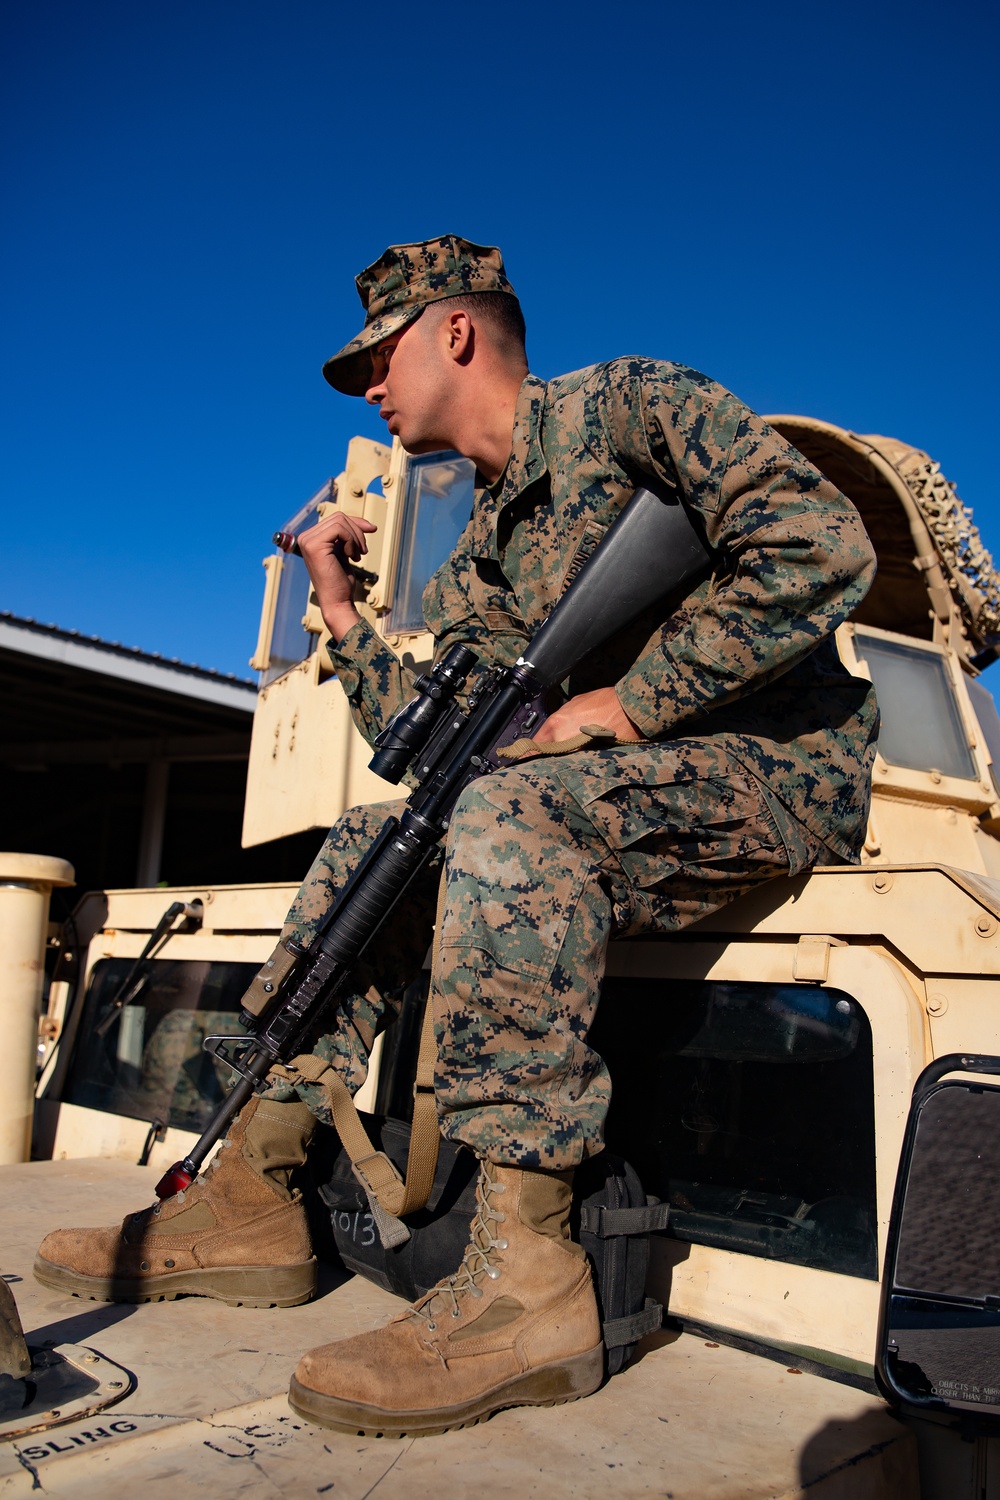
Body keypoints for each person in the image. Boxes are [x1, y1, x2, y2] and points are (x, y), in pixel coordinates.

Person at [35, 235, 878, 1436]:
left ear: (456, 332)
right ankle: (257, 1193)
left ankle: (528, 1279)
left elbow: (819, 545)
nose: (368, 387)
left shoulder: (633, 406)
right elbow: (429, 757)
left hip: (773, 773)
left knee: (508, 808)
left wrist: (629, 703)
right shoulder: (482, 551)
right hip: (599, 801)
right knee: (376, 840)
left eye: (375, 357)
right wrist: (335, 607)